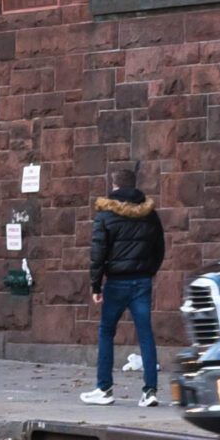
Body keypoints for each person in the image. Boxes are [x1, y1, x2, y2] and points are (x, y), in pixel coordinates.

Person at [81, 164, 166, 408]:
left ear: (115, 185)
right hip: (142, 282)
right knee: (146, 334)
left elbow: (98, 253)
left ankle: (104, 388)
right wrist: (149, 271)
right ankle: (150, 391)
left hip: (116, 282)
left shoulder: (105, 215)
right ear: (134, 185)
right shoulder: (150, 213)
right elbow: (159, 248)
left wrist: (96, 286)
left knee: (106, 332)